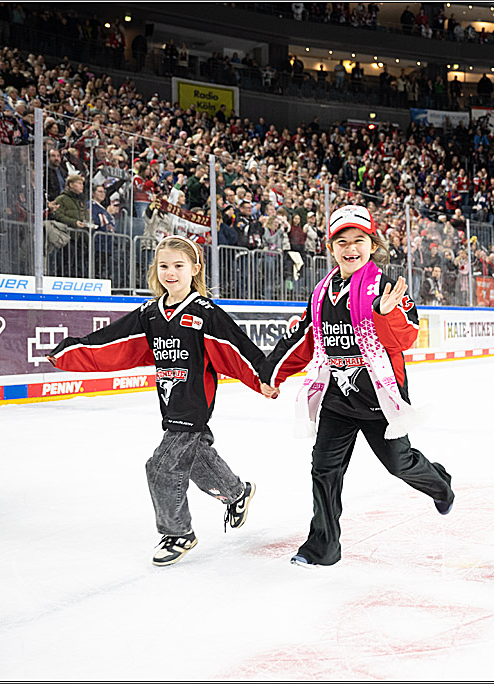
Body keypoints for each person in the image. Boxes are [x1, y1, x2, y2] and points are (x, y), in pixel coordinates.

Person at [46, 235, 277, 566]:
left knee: (162, 466)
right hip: (170, 402)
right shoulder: (150, 313)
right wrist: (71, 352)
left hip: (194, 403)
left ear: (194, 269)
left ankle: (178, 533)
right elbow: (111, 341)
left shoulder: (205, 312)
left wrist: (263, 378)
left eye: (179, 265)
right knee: (195, 458)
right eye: (164, 265)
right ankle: (237, 493)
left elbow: (237, 348)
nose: (170, 272)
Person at [263, 205, 455, 567]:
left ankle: (440, 484)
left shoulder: (384, 286)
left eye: (359, 240)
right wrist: (272, 373)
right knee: (324, 469)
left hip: (380, 400)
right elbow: (303, 339)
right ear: (330, 248)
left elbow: (406, 338)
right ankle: (322, 548)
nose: (350, 248)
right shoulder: (321, 292)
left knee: (399, 465)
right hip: (337, 398)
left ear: (372, 245)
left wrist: (385, 312)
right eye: (342, 242)